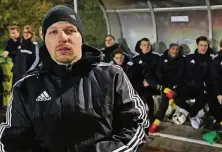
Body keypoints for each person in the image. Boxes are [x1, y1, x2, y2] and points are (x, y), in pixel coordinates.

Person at [0, 5, 148, 152]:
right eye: (53, 32)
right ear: (45, 41)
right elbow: (11, 141)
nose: (62, 38)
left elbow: (137, 123)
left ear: (81, 37)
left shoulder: (112, 75)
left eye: (70, 30)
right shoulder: (26, 87)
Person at [172, 36, 214, 129]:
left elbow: (211, 76)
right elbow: (182, 73)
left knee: (203, 98)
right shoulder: (189, 57)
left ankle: (192, 115)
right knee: (177, 98)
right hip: (188, 86)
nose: (203, 47)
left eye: (205, 45)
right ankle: (191, 112)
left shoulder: (210, 59)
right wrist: (176, 86)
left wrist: (207, 87)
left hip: (201, 87)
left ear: (208, 46)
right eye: (201, 45)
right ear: (197, 45)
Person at [149, 43, 185, 133]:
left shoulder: (182, 60)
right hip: (166, 86)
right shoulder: (162, 59)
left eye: (177, 49)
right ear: (169, 49)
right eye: (173, 48)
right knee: (166, 97)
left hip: (178, 86)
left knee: (172, 97)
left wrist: (174, 87)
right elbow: (159, 74)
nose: (175, 51)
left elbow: (181, 75)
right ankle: (156, 123)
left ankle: (156, 122)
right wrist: (166, 88)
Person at [131, 38, 161, 123]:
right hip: (142, 84)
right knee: (136, 92)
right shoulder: (136, 58)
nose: (147, 47)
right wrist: (141, 84)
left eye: (148, 45)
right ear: (140, 46)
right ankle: (137, 115)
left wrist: (150, 82)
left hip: (154, 84)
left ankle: (151, 116)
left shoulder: (156, 57)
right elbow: (135, 75)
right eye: (144, 45)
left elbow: (159, 73)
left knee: (147, 94)